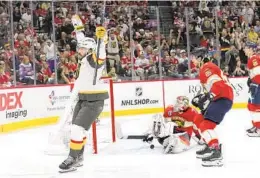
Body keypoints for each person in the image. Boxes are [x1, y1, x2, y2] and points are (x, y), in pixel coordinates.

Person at [59, 15, 108, 173]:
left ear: (90, 49)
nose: (78, 50)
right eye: (79, 48)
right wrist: (78, 28)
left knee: (76, 128)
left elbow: (100, 54)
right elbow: (84, 42)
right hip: (83, 98)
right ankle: (79, 157)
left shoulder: (94, 60)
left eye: (82, 48)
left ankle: (72, 158)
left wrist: (103, 40)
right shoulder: (85, 57)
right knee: (80, 130)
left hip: (94, 101)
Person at [191, 57, 233, 167]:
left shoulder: (207, 67)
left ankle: (216, 151)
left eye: (194, 58)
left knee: (206, 125)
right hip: (218, 98)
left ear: (200, 58)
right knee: (198, 119)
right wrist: (204, 98)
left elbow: (218, 85)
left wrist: (208, 97)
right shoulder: (204, 69)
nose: (192, 61)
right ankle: (208, 145)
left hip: (222, 98)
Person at [244, 47, 260, 137]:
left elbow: (258, 74)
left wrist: (255, 84)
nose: (244, 50)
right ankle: (256, 125)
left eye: (246, 48)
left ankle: (259, 129)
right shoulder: (252, 59)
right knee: (251, 105)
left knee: (256, 107)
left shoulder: (254, 59)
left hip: (258, 86)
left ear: (250, 49)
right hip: (256, 85)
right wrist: (250, 80)